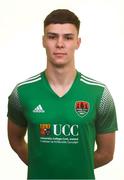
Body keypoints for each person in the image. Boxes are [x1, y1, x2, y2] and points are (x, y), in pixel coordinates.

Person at [7, 9, 118, 179]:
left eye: (68, 37)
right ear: (43, 41)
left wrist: (74, 170)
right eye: (52, 37)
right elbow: (16, 141)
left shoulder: (99, 94)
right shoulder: (22, 93)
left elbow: (106, 153)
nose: (60, 44)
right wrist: (42, 165)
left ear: (78, 42)